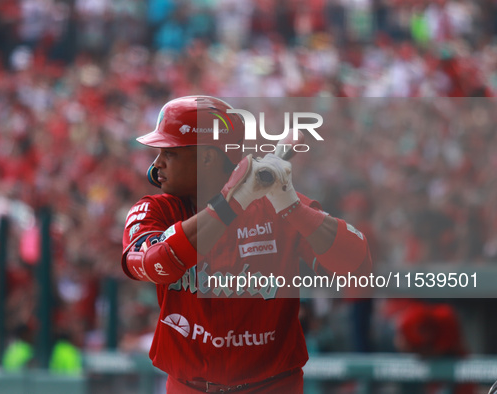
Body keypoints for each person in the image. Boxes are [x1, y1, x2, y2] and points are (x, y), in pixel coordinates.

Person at [121, 96, 371, 393]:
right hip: (189, 388)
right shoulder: (155, 210)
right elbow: (154, 264)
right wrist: (231, 203)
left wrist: (290, 204)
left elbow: (358, 267)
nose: (156, 163)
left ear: (207, 158)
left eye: (170, 153)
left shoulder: (276, 206)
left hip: (272, 387)